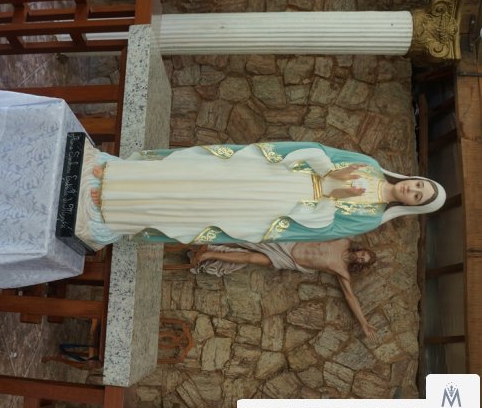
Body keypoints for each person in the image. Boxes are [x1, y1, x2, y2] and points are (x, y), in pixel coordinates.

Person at [77, 141, 446, 250]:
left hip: (275, 205)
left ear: (410, 207)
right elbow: (318, 151)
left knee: (194, 205)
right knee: (196, 173)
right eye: (419, 185)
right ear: (414, 178)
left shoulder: (369, 218)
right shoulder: (370, 164)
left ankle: (113, 208)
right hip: (272, 173)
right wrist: (327, 173)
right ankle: (116, 175)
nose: (412, 190)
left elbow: (320, 227)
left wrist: (329, 192)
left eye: (418, 197)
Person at [189, 239, 378, 340]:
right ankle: (205, 239)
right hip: (289, 243)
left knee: (251, 258)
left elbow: (350, 297)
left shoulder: (342, 271)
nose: (359, 257)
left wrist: (364, 323)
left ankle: (209, 254)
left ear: (360, 264)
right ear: (361, 249)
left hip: (289, 261)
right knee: (248, 238)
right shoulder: (343, 241)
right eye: (362, 254)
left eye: (362, 260)